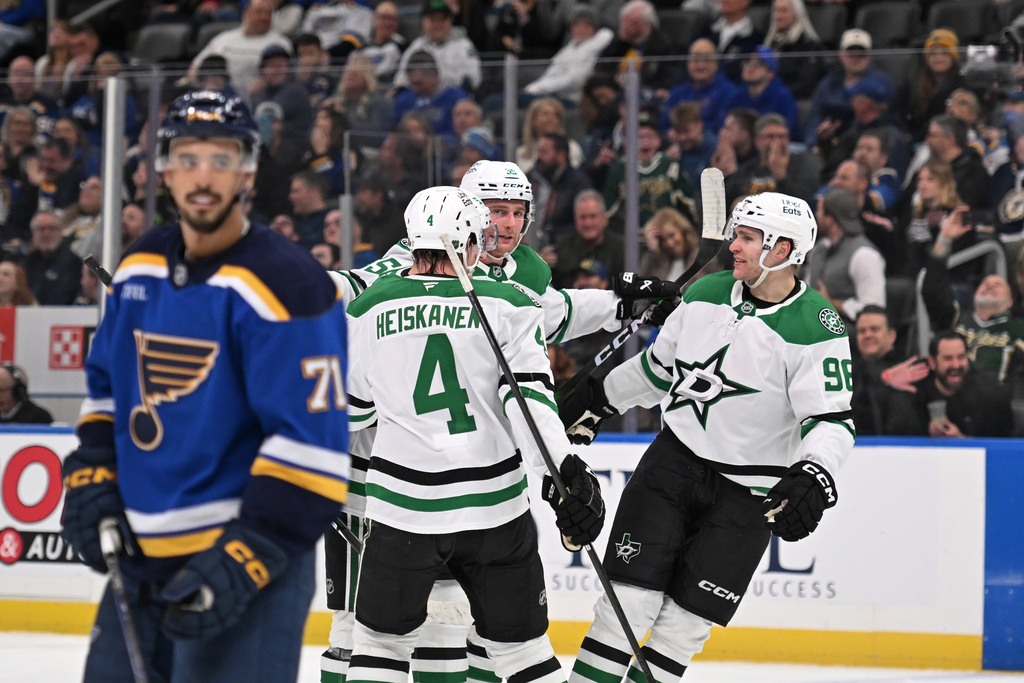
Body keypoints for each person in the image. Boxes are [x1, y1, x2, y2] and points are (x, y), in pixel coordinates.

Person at [321, 160, 679, 683]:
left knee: (415, 632)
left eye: (517, 212)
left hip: (403, 491)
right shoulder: (405, 274)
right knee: (364, 629)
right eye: (494, 211)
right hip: (402, 480)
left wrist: (625, 306)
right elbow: (527, 388)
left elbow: (552, 311)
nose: (506, 224)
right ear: (465, 214)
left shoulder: (514, 276)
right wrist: (561, 468)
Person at [58, 89, 350, 683]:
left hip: (248, 568)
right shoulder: (141, 267)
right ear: (163, 169)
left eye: (222, 159)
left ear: (248, 169)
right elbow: (109, 387)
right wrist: (93, 468)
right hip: (141, 562)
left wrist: (246, 557)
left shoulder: (287, 284)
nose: (203, 177)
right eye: (188, 158)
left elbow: (312, 449)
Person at [559, 192, 854, 683]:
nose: (733, 246)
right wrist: (600, 397)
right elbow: (657, 371)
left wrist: (814, 471)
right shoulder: (705, 294)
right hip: (672, 467)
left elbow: (831, 420)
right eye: (736, 234)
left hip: (749, 493)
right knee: (623, 608)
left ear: (783, 249)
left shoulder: (817, 327)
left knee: (682, 629)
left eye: (747, 238)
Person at [343, 184, 604, 683]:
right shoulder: (510, 302)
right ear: (466, 239)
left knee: (380, 648)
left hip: (405, 511)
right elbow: (528, 400)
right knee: (523, 653)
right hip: (495, 510)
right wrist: (564, 471)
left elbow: (351, 415)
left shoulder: (367, 308)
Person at [805, 186, 887, 322]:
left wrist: (832, 304)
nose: (816, 215)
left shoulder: (864, 255)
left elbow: (874, 309)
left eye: (819, 210)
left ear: (830, 219)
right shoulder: (820, 248)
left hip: (848, 333)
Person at [912, 330, 1015, 437]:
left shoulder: (992, 394)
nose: (956, 365)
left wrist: (961, 441)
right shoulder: (915, 392)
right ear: (932, 363)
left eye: (961, 357)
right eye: (948, 359)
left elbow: (1002, 447)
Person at [187, 0, 292, 97]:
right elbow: (195, 67)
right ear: (246, 14)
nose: (264, 17)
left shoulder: (280, 44)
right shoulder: (223, 39)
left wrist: (246, 96)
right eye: (259, 12)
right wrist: (202, 89)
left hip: (257, 99)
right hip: (218, 97)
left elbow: (277, 80)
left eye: (269, 13)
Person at [850, 305, 926, 436]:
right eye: (862, 331)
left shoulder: (910, 368)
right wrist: (883, 378)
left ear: (891, 335)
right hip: (859, 448)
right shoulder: (849, 372)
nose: (867, 335)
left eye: (874, 329)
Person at [392, 0, 481, 94]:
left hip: (451, 98)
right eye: (433, 19)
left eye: (442, 19)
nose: (438, 24)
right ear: (423, 22)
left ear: (450, 21)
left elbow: (472, 79)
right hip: (419, 98)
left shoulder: (463, 45)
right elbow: (401, 78)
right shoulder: (416, 46)